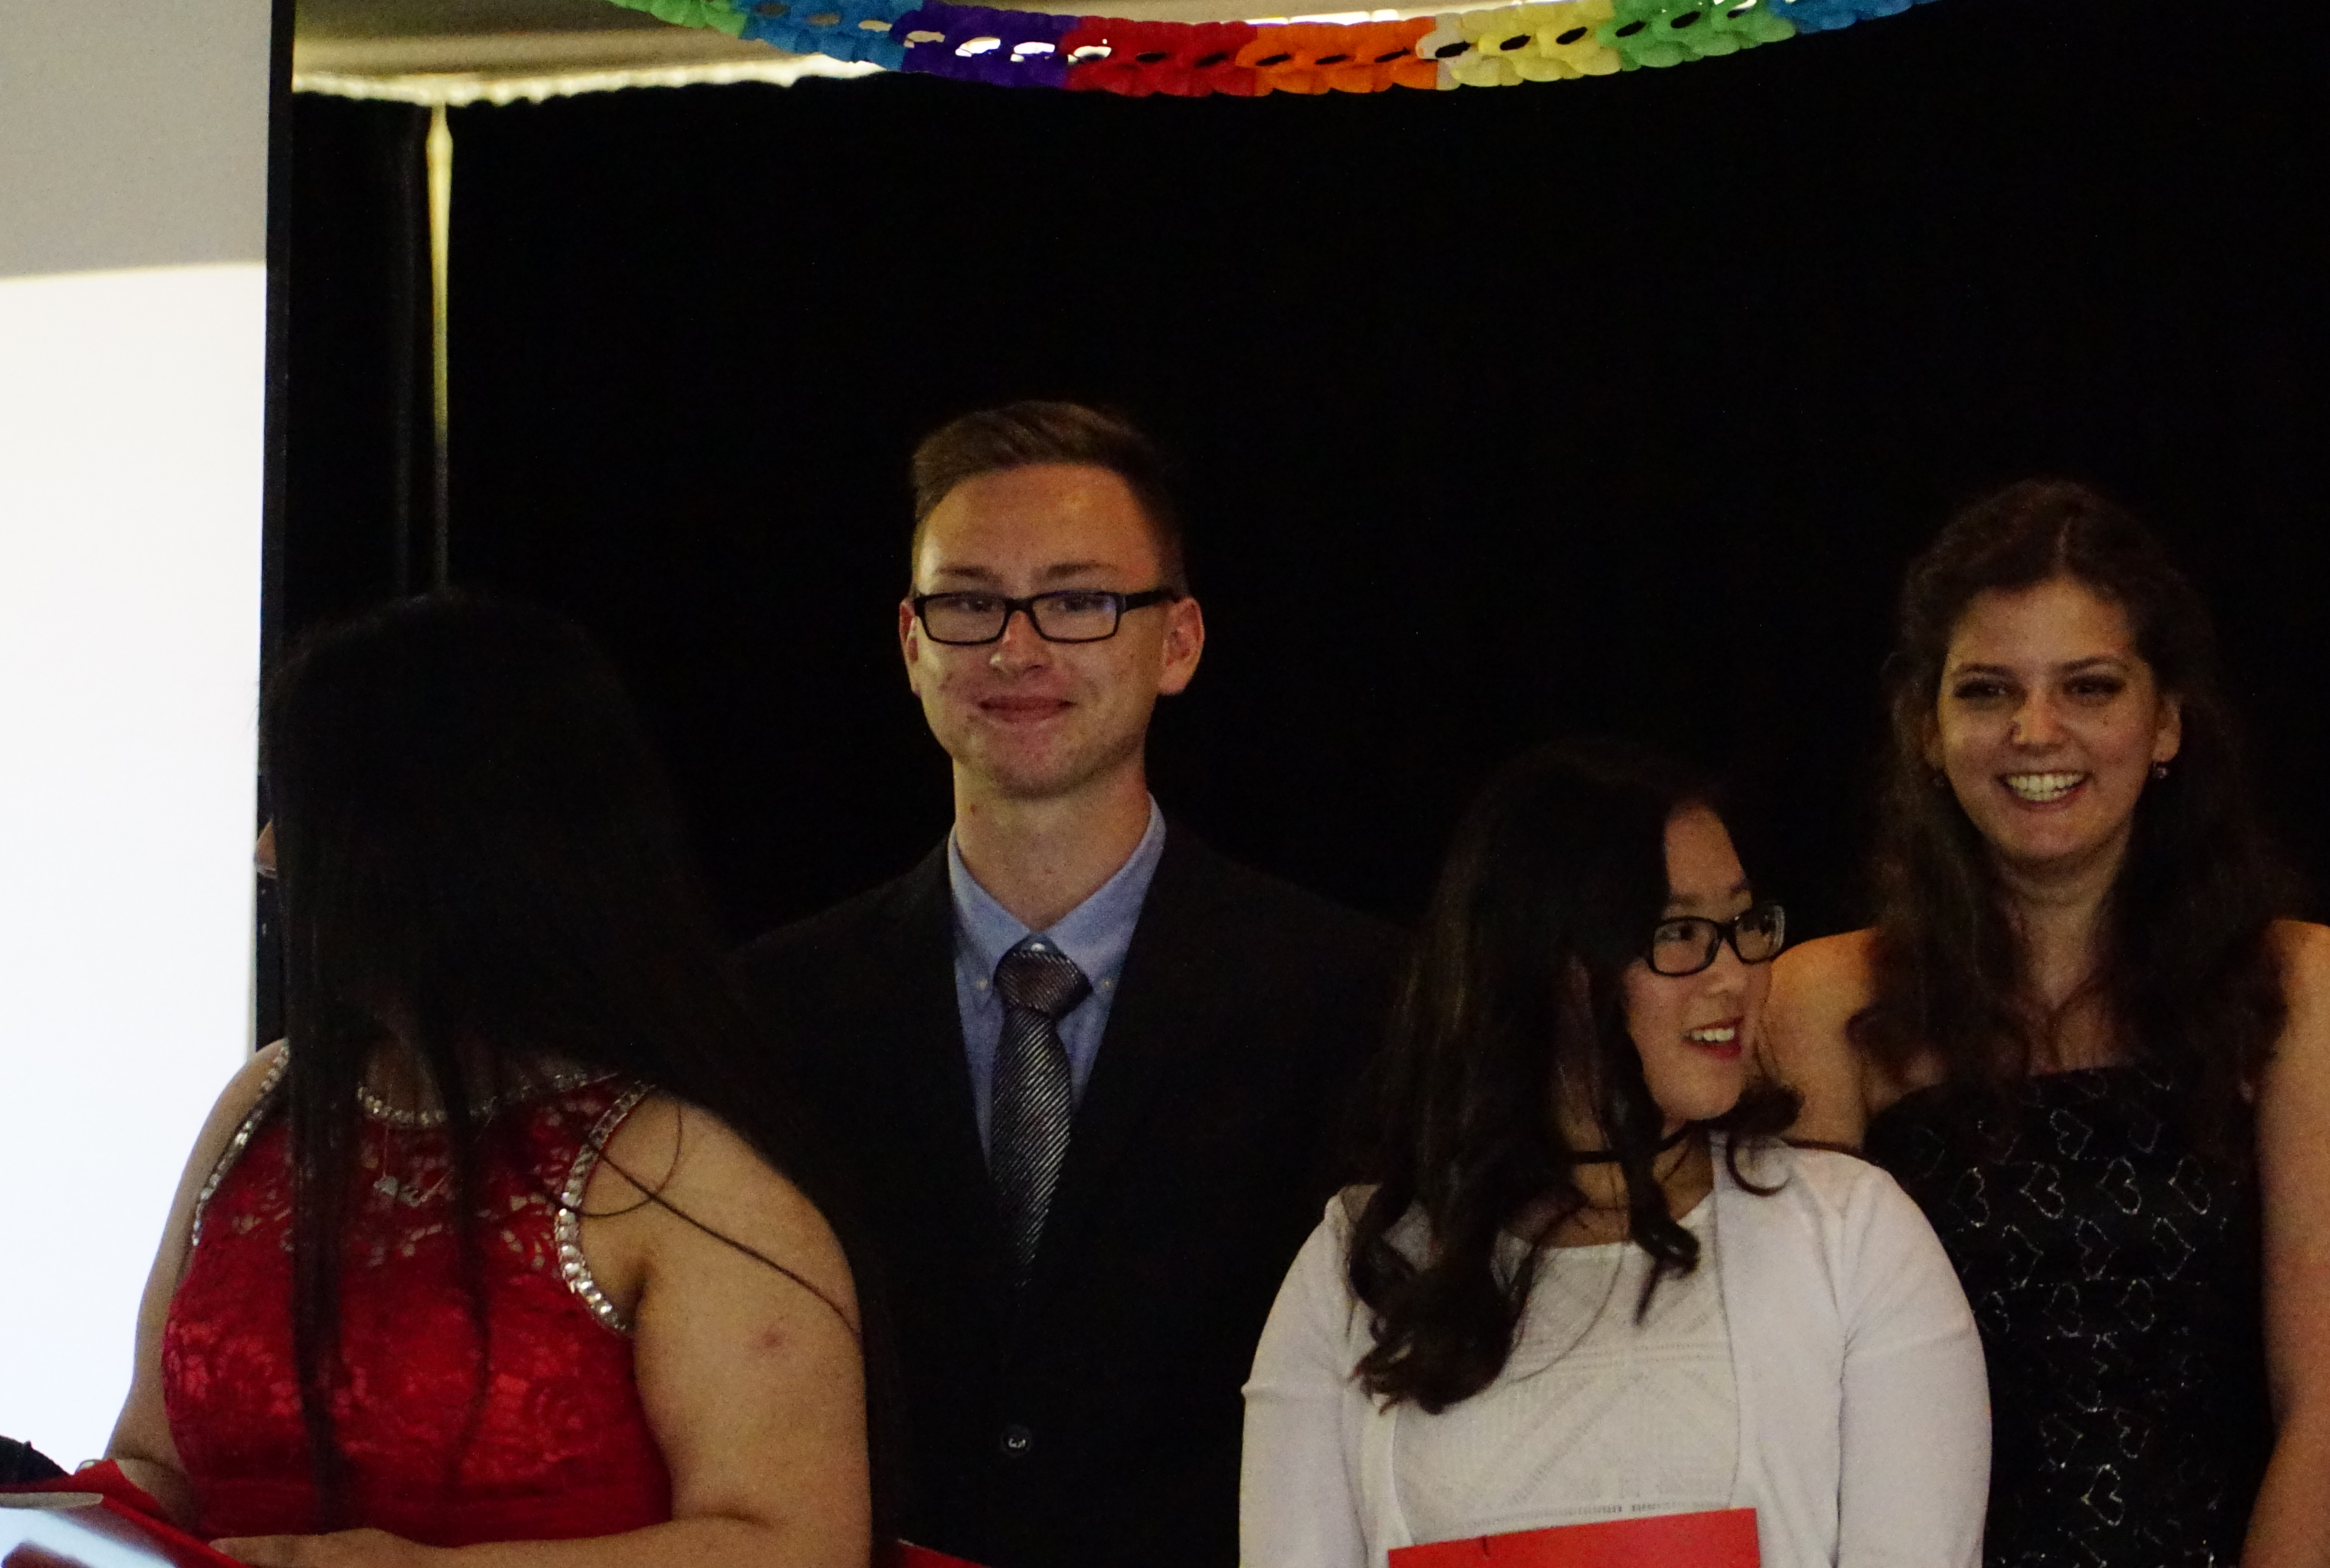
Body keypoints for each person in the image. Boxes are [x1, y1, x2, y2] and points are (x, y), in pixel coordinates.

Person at [744, 402, 1400, 1568]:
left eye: (1079, 600)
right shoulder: (772, 1010)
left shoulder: (1353, 995)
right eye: (969, 603)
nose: (1016, 649)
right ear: (910, 642)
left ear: (1179, 641)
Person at [103, 596, 874, 1567]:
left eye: (306, 817)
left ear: (440, 843)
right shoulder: (269, 1100)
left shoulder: (679, 1169)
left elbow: (798, 1544)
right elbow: (152, 1463)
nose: (267, 854)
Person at [1763, 480, 2330, 1568]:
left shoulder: (2302, 987)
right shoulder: (1823, 1001)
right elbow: (1800, 1415)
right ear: (1926, 730)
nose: (2035, 731)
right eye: (1987, 691)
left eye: (2089, 686)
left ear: (2167, 723)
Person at [1241, 741, 1989, 1568]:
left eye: (1744, 925)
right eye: (1680, 934)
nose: (1734, 975)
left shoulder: (1852, 1237)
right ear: (1548, 963)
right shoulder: (1364, 1264)